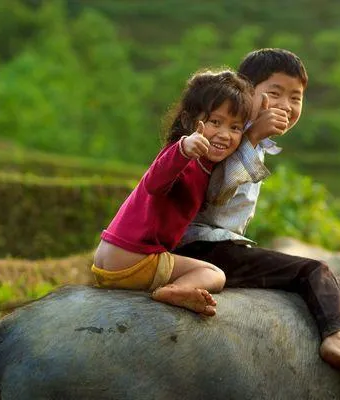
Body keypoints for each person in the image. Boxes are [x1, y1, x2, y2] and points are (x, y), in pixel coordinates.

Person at [173, 49, 340, 393]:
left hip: (216, 242)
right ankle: (336, 339)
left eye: (295, 97)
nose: (286, 104)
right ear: (245, 93)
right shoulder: (230, 135)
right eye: (274, 92)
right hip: (204, 245)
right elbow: (214, 194)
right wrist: (251, 138)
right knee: (315, 270)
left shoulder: (247, 138)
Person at [92, 69, 253, 317]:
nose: (224, 134)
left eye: (235, 127)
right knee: (214, 275)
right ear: (190, 122)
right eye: (214, 122)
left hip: (109, 254)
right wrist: (183, 148)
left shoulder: (206, 165)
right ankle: (175, 290)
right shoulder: (182, 156)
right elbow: (155, 182)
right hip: (135, 258)